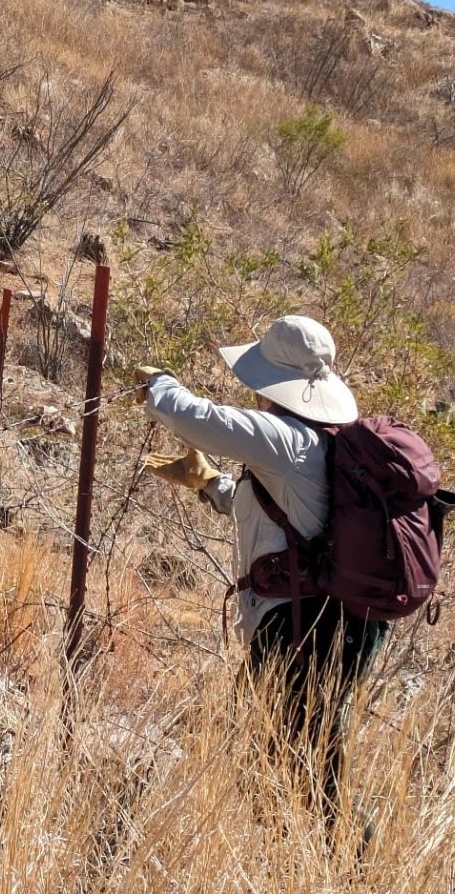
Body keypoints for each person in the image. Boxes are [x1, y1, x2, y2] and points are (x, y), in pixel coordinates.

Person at [137, 315, 386, 827]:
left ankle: (342, 867)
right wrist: (209, 485)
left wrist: (159, 383)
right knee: (295, 750)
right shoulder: (320, 441)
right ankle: (300, 858)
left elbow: (198, 419)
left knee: (307, 761)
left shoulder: (286, 439)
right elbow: (279, 516)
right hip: (328, 623)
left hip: (301, 628)